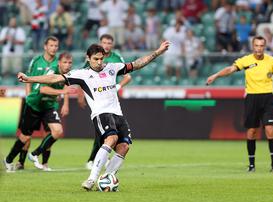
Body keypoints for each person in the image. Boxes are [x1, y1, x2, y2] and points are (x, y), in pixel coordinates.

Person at [17, 40, 170, 190]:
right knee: (112, 139)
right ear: (88, 58)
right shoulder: (82, 74)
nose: (99, 62)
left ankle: (107, 178)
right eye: (95, 59)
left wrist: (157, 52)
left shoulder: (112, 68)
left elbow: (137, 64)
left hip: (118, 113)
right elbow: (55, 78)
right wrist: (29, 78)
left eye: (101, 58)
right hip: (101, 113)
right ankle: (91, 179)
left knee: (124, 147)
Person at [206, 36, 273, 173]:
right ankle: (252, 165)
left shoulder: (271, 61)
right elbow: (230, 69)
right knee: (252, 131)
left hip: (267, 98)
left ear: (264, 47)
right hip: (252, 98)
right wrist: (216, 75)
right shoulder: (246, 60)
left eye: (261, 46)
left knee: (270, 130)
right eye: (257, 46)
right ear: (253, 47)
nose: (259, 48)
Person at [3, 37, 71, 172]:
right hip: (34, 103)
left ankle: (39, 158)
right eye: (51, 45)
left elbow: (66, 85)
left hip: (48, 106)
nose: (54, 48)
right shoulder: (43, 64)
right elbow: (41, 88)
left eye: (56, 46)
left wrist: (65, 102)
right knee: (25, 137)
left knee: (55, 132)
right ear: (45, 46)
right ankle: (9, 159)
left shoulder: (62, 66)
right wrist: (59, 92)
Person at [83, 34, 132, 170]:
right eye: (104, 42)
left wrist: (118, 86)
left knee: (108, 134)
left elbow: (128, 76)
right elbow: (83, 78)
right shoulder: (93, 56)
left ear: (112, 45)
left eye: (109, 43)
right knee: (105, 133)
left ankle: (96, 161)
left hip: (112, 100)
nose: (106, 45)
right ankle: (95, 161)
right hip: (98, 99)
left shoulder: (116, 58)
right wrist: (82, 97)